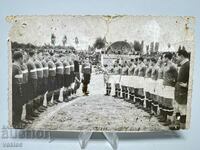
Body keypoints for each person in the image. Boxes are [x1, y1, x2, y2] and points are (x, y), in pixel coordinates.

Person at [170, 47, 190, 130]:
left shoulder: (188, 65)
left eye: (177, 56)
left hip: (182, 93)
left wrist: (188, 85)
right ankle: (177, 125)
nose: (176, 58)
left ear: (181, 56)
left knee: (183, 112)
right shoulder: (183, 65)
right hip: (179, 93)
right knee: (178, 110)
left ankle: (182, 128)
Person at [159, 52, 178, 126]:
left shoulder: (173, 66)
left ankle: (169, 120)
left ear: (167, 58)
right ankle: (164, 117)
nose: (163, 59)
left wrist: (172, 83)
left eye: (163, 57)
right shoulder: (165, 65)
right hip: (165, 85)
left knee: (169, 103)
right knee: (164, 102)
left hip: (170, 86)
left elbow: (177, 77)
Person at [12, 51, 24, 128]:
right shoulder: (14, 67)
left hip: (19, 89)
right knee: (17, 107)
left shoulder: (17, 66)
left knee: (19, 106)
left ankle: (18, 121)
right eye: (22, 58)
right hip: (16, 91)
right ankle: (16, 123)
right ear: (20, 58)